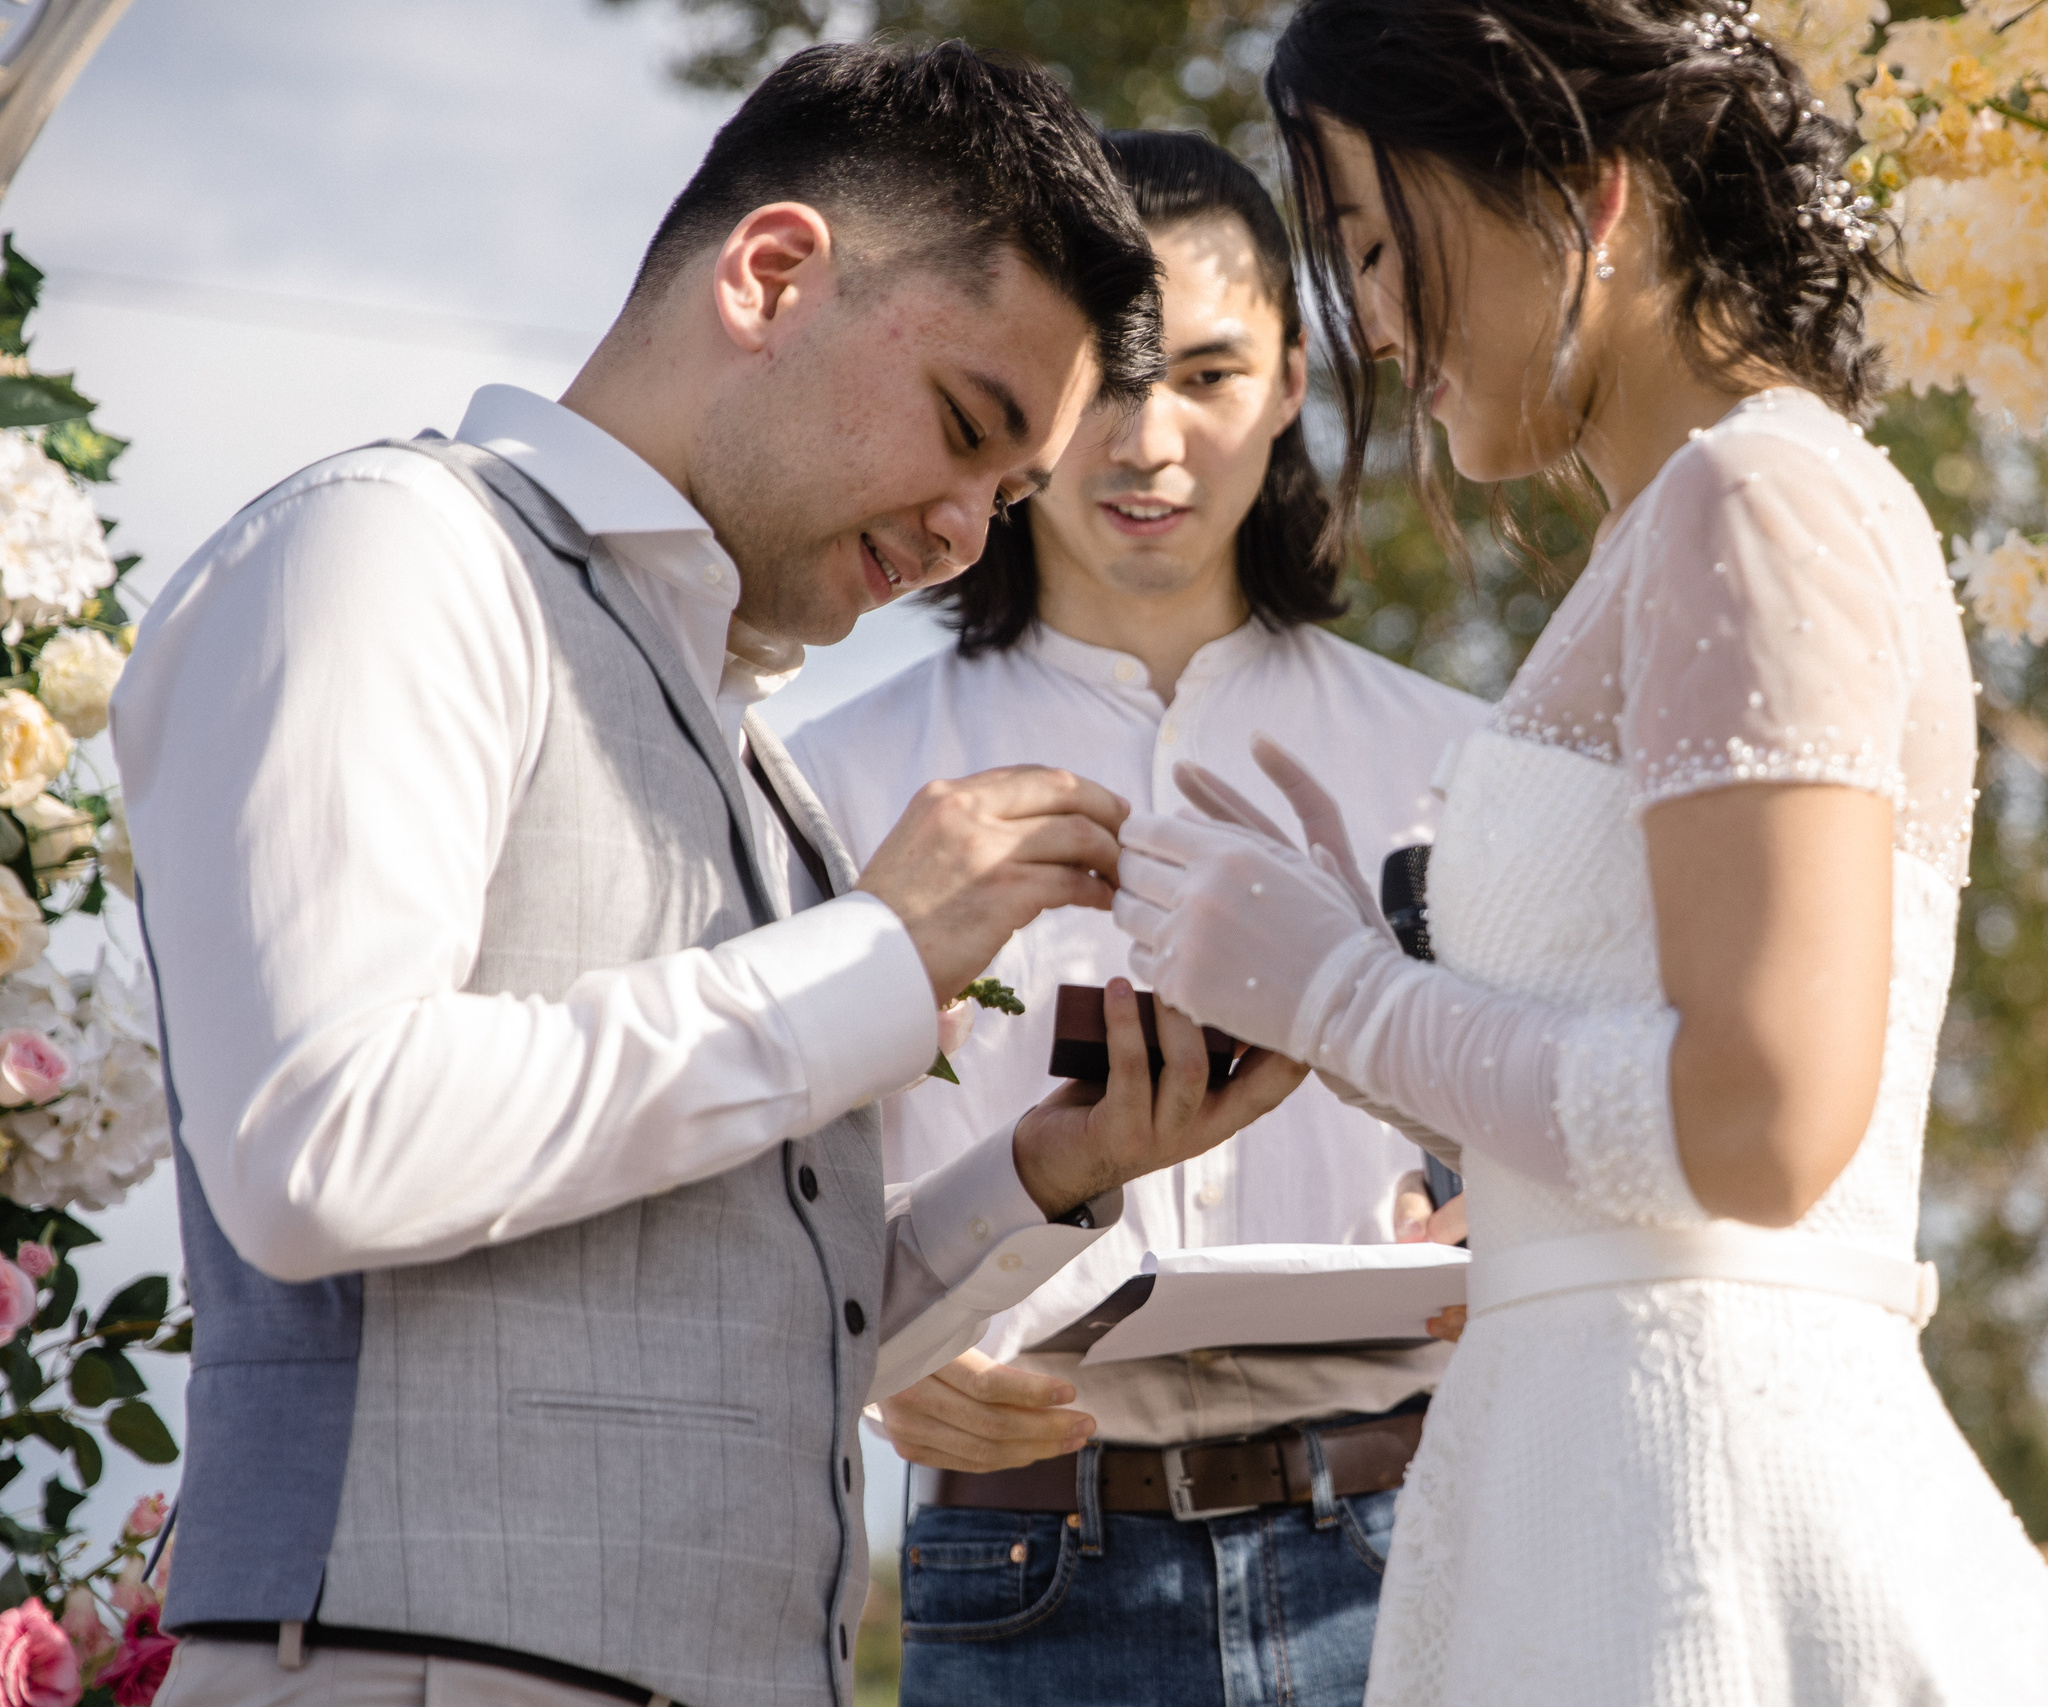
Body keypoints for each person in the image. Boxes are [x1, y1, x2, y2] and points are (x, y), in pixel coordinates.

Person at [119, 43, 1297, 1707]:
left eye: (1010, 494)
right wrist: (875, 956)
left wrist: (1041, 1175)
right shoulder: (395, 549)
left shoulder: (763, 763)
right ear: (773, 275)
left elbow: (736, 1347)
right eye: (965, 431)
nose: (970, 535)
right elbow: (324, 1139)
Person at [1110, 3, 2048, 1702]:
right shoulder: (1690, 521)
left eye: (1376, 241)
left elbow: (1763, 1122)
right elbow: (1639, 1081)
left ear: (1582, 196)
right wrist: (1330, 998)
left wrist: (1345, 990)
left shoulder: (1753, 501)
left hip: (1704, 1505)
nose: (1364, 319)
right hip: (1591, 1468)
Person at [790, 130, 1486, 1707]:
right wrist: (875, 1370)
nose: (1148, 441)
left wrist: (1505, 1221)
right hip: (1023, 1571)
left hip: (1414, 1545)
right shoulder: (830, 781)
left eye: (1210, 373)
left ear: (1299, 375)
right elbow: (770, 1199)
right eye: (1102, 382)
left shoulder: (1463, 764)